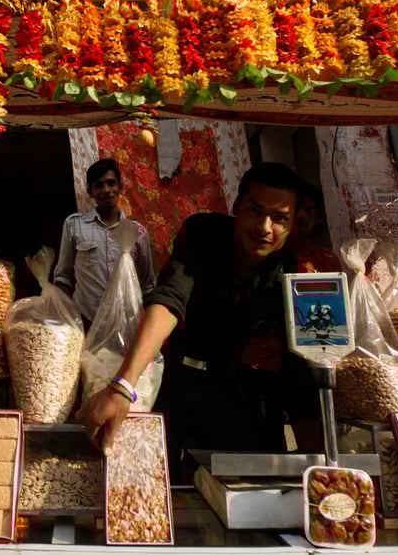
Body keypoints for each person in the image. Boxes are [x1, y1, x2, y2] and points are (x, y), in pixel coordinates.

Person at [79, 161, 320, 477]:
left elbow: (298, 372)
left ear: (292, 224)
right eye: (254, 211)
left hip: (246, 401)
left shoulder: (291, 273)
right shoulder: (204, 235)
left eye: (279, 219)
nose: (264, 228)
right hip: (183, 385)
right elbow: (169, 301)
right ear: (236, 206)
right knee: (160, 477)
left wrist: (320, 465)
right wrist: (124, 384)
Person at [54, 158, 156, 328]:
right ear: (90, 191)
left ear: (120, 187)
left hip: (125, 326)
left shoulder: (137, 232)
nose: (106, 190)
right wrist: (60, 317)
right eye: (99, 185)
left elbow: (148, 286)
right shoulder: (75, 226)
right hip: (84, 323)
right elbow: (64, 278)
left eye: (111, 183)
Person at [287, 183, 342, 273]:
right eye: (297, 208)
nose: (302, 215)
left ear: (318, 216)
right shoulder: (265, 251)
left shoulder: (326, 260)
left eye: (309, 210)